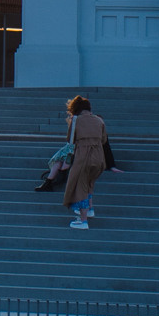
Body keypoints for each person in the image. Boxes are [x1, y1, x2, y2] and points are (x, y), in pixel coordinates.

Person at [62, 94, 107, 228]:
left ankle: (83, 220)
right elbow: (104, 139)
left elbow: (70, 140)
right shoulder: (99, 120)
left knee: (80, 186)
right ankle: (90, 209)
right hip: (99, 156)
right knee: (89, 183)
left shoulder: (76, 120)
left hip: (83, 156)